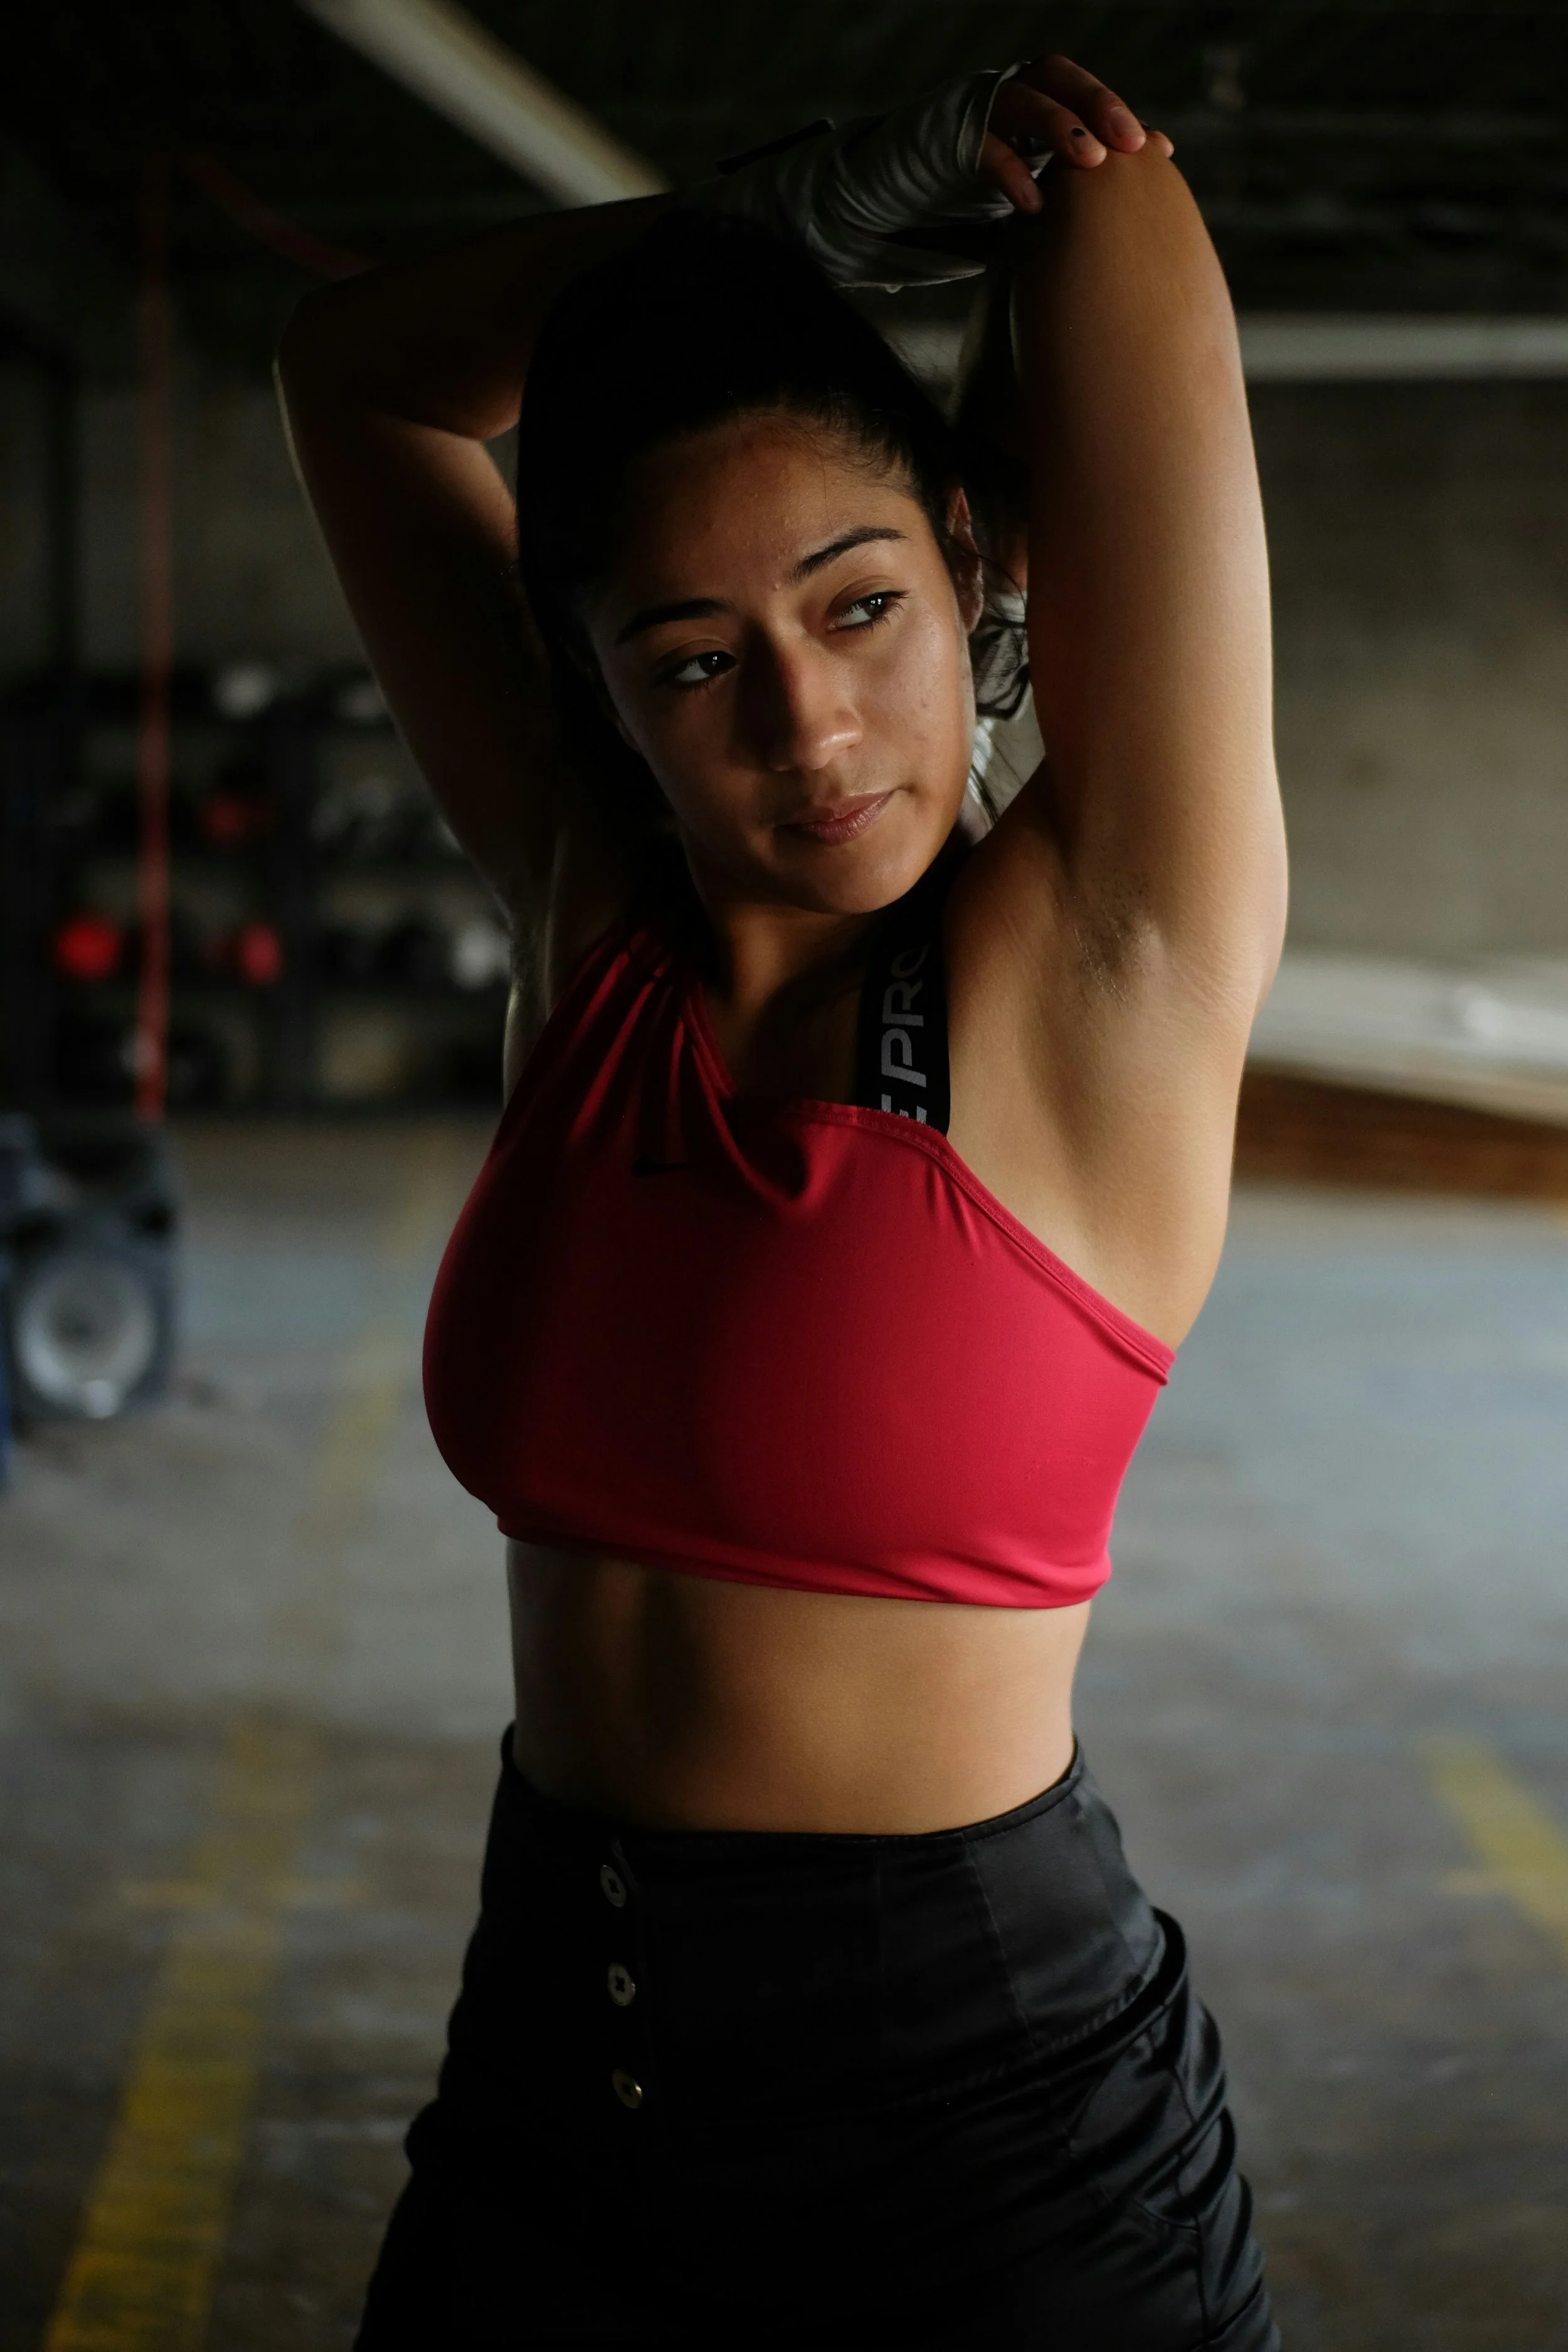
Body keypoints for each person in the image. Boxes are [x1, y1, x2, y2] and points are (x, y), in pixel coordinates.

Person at [279, 43, 1286, 2349]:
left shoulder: (1105, 954)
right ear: (609, 695)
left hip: (979, 2137)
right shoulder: (589, 921)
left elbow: (1109, 209)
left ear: (974, 553)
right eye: (698, 662)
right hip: (540, 2077)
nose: (808, 734)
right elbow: (350, 373)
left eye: (858, 609)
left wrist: (888, 197)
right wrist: (750, 229)